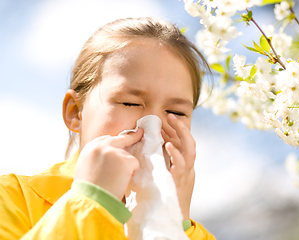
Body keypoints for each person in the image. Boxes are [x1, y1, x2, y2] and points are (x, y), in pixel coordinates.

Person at [0, 17, 215, 239]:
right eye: (130, 103)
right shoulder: (12, 199)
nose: (152, 126)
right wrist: (92, 202)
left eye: (176, 113)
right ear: (75, 112)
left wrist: (172, 223)